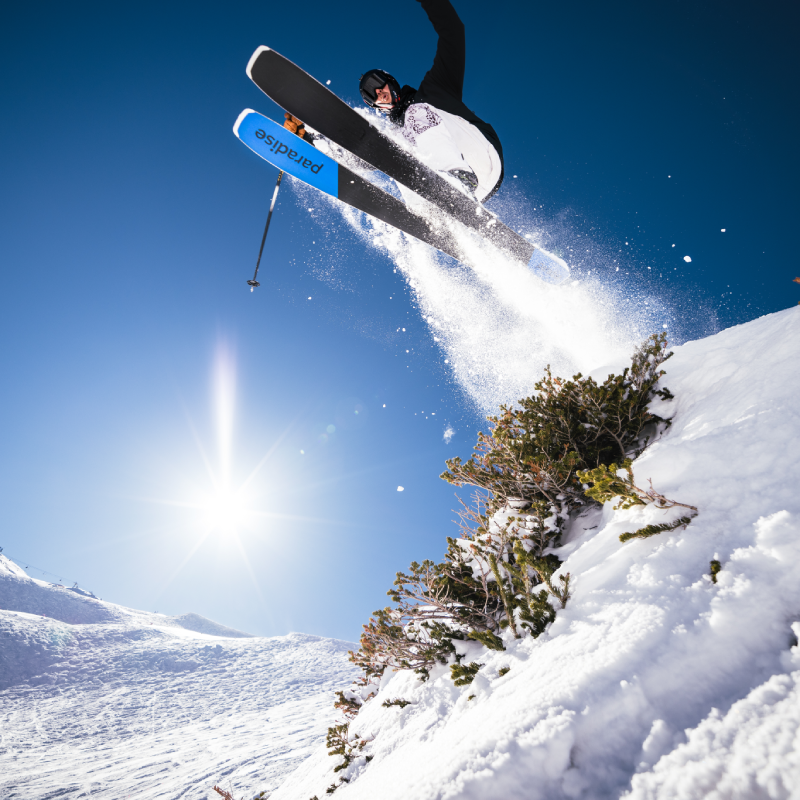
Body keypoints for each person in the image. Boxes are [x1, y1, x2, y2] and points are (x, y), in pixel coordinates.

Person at [284, 0, 504, 203]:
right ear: (375, 105)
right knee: (398, 158)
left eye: (378, 83)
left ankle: (456, 184)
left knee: (413, 116)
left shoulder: (435, 87)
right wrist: (309, 139)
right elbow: (360, 159)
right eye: (371, 95)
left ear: (391, 81)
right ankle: (433, 216)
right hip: (471, 197)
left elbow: (453, 32)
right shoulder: (397, 135)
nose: (379, 92)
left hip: (481, 157)